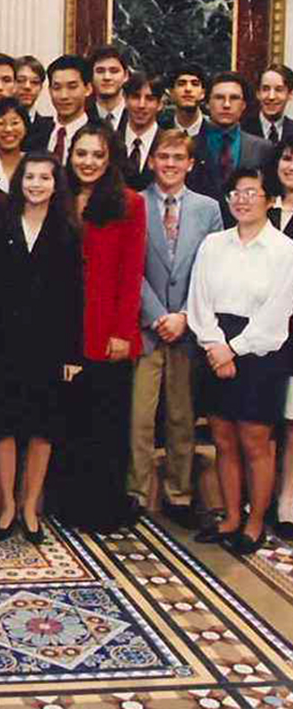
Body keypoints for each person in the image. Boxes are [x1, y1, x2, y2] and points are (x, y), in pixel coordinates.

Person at [0, 152, 82, 543]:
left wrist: (73, 353)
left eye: (45, 178)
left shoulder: (68, 230)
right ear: (19, 181)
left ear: (57, 185)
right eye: (30, 177)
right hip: (4, 343)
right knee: (4, 426)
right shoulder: (0, 224)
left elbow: (75, 297)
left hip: (50, 346)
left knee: (42, 427)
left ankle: (30, 506)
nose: (36, 184)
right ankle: (6, 505)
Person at [188, 166, 293, 554]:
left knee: (255, 442)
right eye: (236, 192)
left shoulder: (285, 250)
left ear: (270, 199)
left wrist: (234, 349)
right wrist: (215, 345)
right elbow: (198, 301)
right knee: (223, 438)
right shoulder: (213, 244)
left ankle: (254, 523)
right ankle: (230, 516)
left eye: (252, 192)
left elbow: (278, 312)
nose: (243, 199)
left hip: (262, 351)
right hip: (214, 346)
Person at [127, 130, 223, 530]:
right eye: (162, 156)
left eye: (177, 157)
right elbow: (129, 266)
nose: (169, 163)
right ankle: (135, 491)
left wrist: (184, 315)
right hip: (146, 325)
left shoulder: (209, 209)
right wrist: (155, 314)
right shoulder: (135, 204)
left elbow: (213, 267)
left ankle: (178, 493)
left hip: (188, 326)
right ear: (151, 161)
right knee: (140, 414)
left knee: (182, 414)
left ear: (190, 163)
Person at [53, 122, 146, 532]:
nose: (87, 162)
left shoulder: (129, 202)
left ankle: (102, 507)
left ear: (109, 161)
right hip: (63, 326)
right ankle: (69, 504)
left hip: (107, 329)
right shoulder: (58, 197)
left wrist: (122, 332)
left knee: (105, 425)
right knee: (69, 419)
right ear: (69, 156)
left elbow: (132, 274)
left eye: (96, 155)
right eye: (81, 154)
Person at [189, 72, 272, 216]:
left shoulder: (263, 149)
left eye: (234, 98)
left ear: (243, 105)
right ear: (207, 103)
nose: (226, 105)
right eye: (219, 97)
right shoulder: (190, 146)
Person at [267, 141, 293, 540]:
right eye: (289, 158)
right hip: (262, 330)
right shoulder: (261, 205)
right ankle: (262, 494)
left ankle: (287, 499)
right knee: (264, 417)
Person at [34, 55, 93, 164]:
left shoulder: (102, 136)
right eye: (57, 88)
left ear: (88, 89)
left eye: (72, 87)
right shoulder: (35, 133)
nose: (64, 96)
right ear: (50, 90)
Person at [122, 72, 164, 191]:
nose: (141, 105)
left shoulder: (168, 143)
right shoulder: (111, 140)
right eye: (135, 97)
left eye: (149, 99)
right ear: (125, 100)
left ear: (160, 104)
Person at [0, 97, 29, 194]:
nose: (8, 129)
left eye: (15, 123)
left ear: (26, 127)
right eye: (1, 123)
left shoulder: (37, 165)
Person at [245, 64, 293, 146]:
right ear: (258, 93)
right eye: (265, 89)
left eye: (279, 90)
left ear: (290, 94)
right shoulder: (243, 130)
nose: (271, 97)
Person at [88, 45, 129, 133]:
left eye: (114, 71)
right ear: (91, 76)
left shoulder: (138, 116)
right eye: (100, 71)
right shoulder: (82, 119)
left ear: (126, 76)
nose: (107, 77)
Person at [15, 55, 53, 149]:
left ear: (41, 88)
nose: (27, 87)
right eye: (20, 81)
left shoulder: (49, 128)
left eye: (35, 82)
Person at [161, 63, 207, 137]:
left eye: (195, 84)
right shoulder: (160, 132)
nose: (188, 89)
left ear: (203, 93)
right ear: (171, 92)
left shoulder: (216, 132)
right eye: (181, 84)